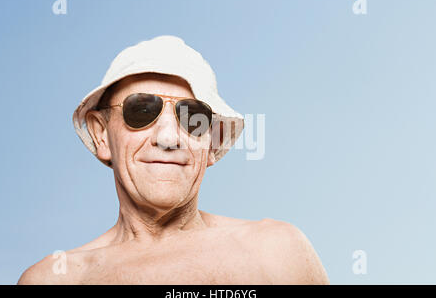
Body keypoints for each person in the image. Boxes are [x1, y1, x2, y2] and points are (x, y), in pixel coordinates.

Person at [18, 35, 329, 284]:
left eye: (193, 117)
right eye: (140, 110)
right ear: (102, 134)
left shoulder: (276, 253)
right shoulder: (54, 279)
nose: (168, 138)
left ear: (211, 142)